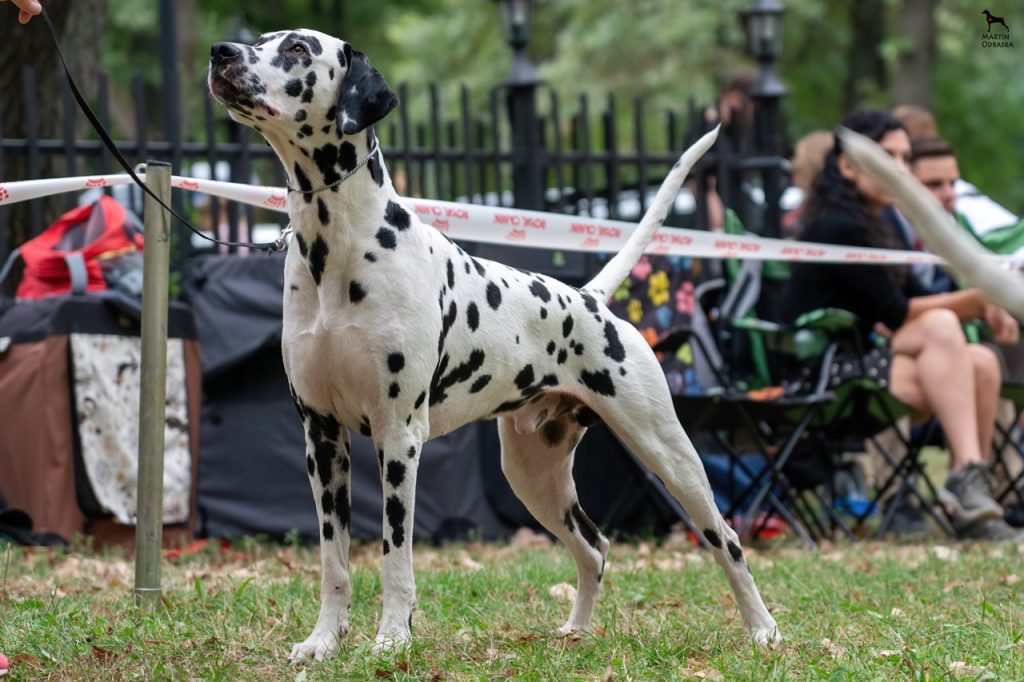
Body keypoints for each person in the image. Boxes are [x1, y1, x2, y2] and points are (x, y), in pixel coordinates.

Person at [779, 109, 1021, 540]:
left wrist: (986, 303)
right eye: (887, 157)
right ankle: (966, 475)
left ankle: (972, 499)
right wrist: (985, 298)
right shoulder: (839, 224)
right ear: (849, 165)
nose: (901, 170)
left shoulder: (881, 221)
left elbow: (913, 298)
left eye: (905, 158)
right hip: (821, 373)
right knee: (940, 326)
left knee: (982, 361)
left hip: (869, 363)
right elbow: (898, 313)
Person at [892, 105, 1019, 236]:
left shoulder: (965, 204)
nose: (950, 195)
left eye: (953, 183)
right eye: (934, 184)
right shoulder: (889, 219)